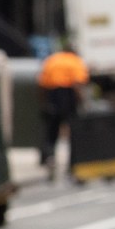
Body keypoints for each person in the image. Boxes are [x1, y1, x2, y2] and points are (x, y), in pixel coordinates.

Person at [37, 44, 90, 176]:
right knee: (74, 132)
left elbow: (42, 84)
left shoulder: (51, 60)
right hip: (68, 97)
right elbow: (77, 84)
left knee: (51, 132)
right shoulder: (75, 61)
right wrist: (82, 103)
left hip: (52, 96)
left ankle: (50, 158)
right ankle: (73, 164)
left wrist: (44, 103)